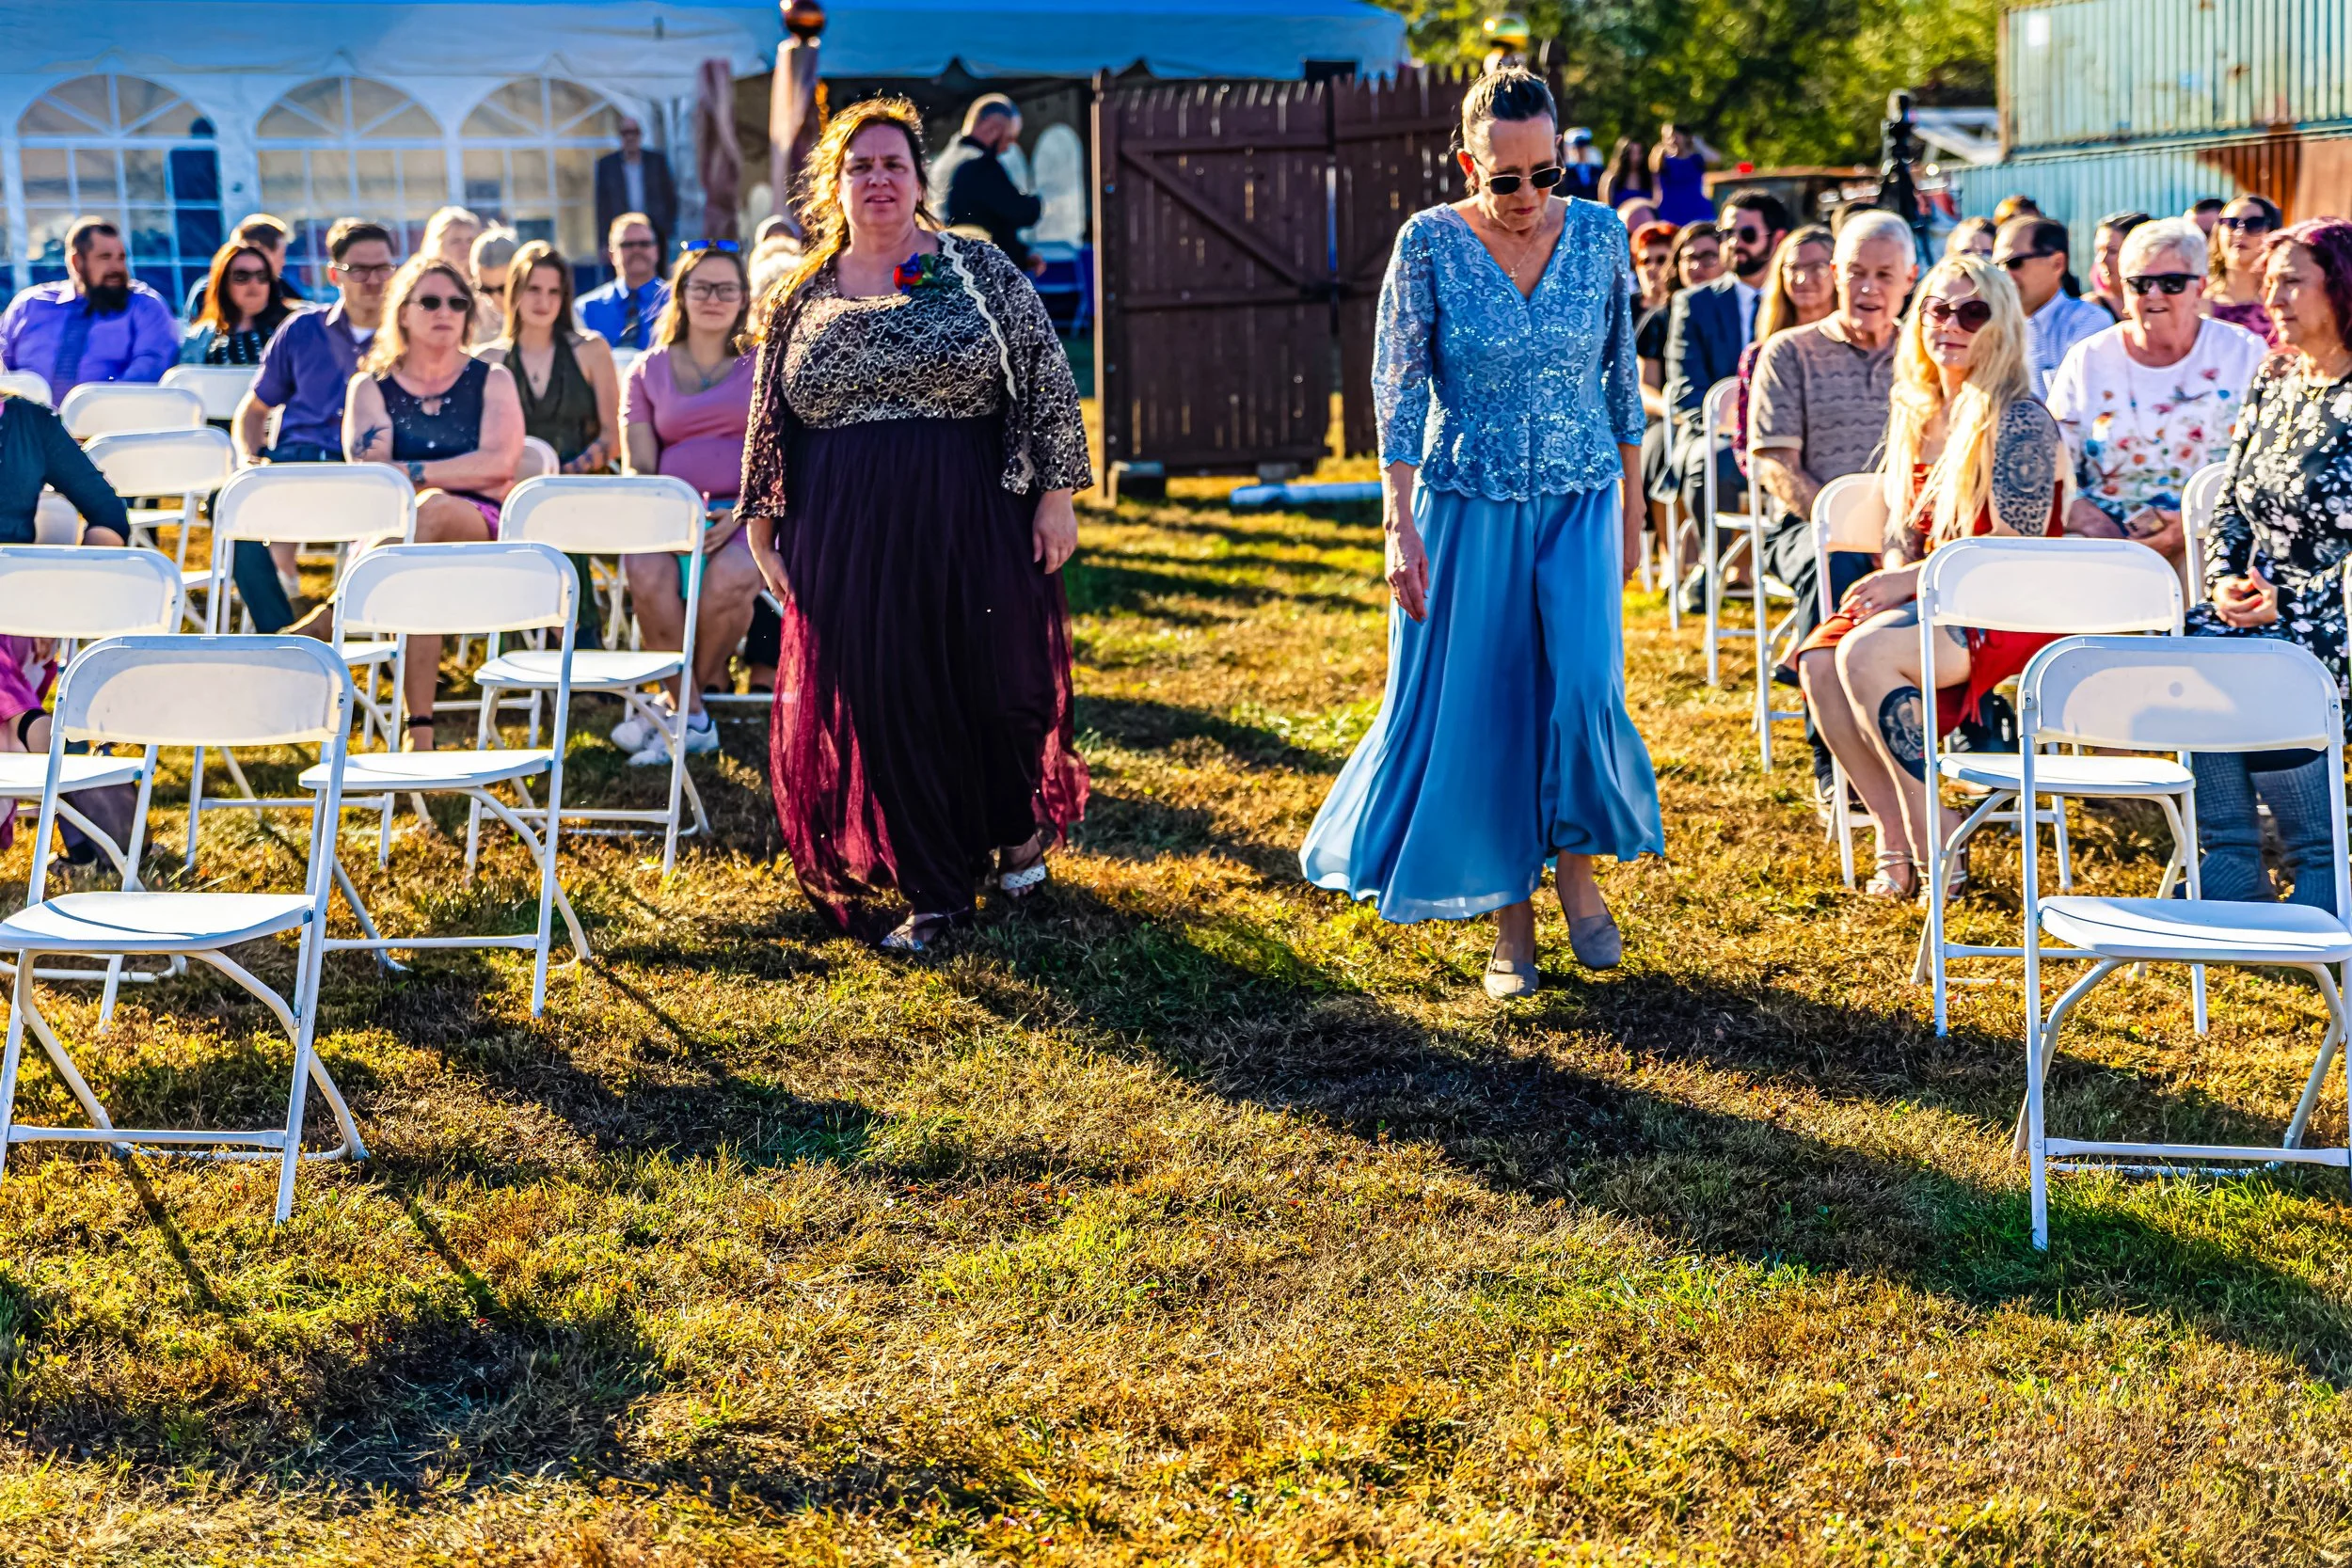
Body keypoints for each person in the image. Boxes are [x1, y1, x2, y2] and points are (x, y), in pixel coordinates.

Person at [1299, 67, 1661, 997]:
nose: (1528, 194)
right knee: (1489, 703)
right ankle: (1511, 916)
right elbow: (1395, 391)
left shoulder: (1600, 235)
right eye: (1506, 178)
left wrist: (1633, 512)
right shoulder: (1427, 243)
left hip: (1582, 495)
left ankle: (1575, 868)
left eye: (1546, 172)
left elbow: (1623, 381)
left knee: (1583, 686)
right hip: (1468, 501)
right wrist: (1397, 526)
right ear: (1468, 165)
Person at [739, 95, 1090, 954]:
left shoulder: (976, 268)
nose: (878, 179)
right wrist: (762, 517)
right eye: (860, 166)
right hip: (846, 523)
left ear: (920, 178)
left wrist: (1057, 494)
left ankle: (1012, 827)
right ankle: (937, 892)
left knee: (997, 690)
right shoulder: (802, 292)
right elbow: (769, 411)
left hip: (970, 510)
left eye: (893, 163)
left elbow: (1047, 373)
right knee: (891, 698)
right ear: (833, 185)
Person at [1792, 255, 2064, 899]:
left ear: (2001, 325)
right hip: (1934, 592)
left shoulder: (2018, 415)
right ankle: (1895, 831)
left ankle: (1931, 831)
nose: (1951, 324)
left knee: (1864, 652)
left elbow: (2017, 544)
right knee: (1819, 661)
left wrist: (1906, 583)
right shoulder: (1918, 408)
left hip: (2009, 602)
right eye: (1938, 309)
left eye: (1973, 312)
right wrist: (1896, 574)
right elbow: (1899, 528)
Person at [2183, 218, 2352, 910]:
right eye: (2270, 281)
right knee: (2200, 637)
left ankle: (2319, 860)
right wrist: (2224, 577)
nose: (2272, 297)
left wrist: (2298, 601)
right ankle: (2231, 856)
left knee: (2275, 660)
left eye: (2292, 282)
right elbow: (2231, 499)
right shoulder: (2276, 376)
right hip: (2263, 601)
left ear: (2341, 288)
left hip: (2340, 612)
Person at [1750, 211, 1920, 811]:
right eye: (1855, 273)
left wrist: (1901, 542)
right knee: (1841, 566)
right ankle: (1836, 758)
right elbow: (1775, 465)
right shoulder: (1789, 351)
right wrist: (1843, 527)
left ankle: (1966, 734)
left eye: (1884, 275)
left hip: (1911, 529)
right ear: (1834, 273)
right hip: (1807, 527)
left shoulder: (1926, 353)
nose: (1868, 288)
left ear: (1909, 279)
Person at [342, 254, 525, 748]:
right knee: (416, 573)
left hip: (479, 525)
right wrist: (454, 468)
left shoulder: (493, 379)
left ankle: (333, 611)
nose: (445, 311)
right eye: (430, 302)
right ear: (402, 312)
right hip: (397, 532)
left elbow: (498, 465)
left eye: (457, 303)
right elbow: (373, 473)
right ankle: (419, 731)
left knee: (434, 510)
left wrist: (413, 472)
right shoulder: (370, 386)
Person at [613, 243, 769, 766]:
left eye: (726, 288)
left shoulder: (764, 366)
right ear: (681, 294)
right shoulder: (646, 371)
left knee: (732, 577)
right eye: (701, 287)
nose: (713, 298)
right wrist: (675, 517)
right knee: (644, 569)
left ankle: (675, 711)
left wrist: (744, 510)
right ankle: (692, 716)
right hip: (667, 514)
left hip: (747, 512)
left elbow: (780, 455)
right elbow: (639, 466)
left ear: (743, 298)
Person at [2046, 217, 2265, 570]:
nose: (2154, 294)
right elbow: (2054, 467)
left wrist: (2193, 525)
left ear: (2200, 287)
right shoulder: (2088, 358)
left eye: (2172, 283)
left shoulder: (2244, 352)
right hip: (2110, 547)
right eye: (2139, 283)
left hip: (2217, 541)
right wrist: (2095, 524)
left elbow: (2267, 465)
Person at [232, 219, 397, 632]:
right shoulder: (302, 329)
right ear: (334, 275)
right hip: (294, 462)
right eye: (359, 269)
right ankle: (279, 632)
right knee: (233, 505)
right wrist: (249, 458)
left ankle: (342, 622)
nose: (373, 280)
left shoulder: (408, 337)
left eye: (382, 268)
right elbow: (254, 409)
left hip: (364, 472)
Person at [1664, 191, 1788, 604]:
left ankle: (1794, 563)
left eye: (1746, 234)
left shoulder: (1798, 300)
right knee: (1709, 461)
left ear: (1776, 238)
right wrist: (1736, 429)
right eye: (1727, 233)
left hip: (1788, 436)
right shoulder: (1693, 303)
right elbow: (1686, 387)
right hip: (1715, 435)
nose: (1734, 243)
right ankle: (1713, 564)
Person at [0, 217, 175, 403]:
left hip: (111, 415)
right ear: (76, 262)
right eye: (105, 257)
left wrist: (93, 407)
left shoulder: (145, 307)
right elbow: (2, 363)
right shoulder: (29, 305)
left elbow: (149, 370)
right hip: (25, 417)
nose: (117, 267)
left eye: (121, 258)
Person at [1732, 224, 1836, 477]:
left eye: (1817, 268)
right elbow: (1746, 445)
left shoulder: (1861, 350)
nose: (1802, 279)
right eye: (1794, 268)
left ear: (1837, 271)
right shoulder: (1759, 356)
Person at [1994, 214, 2107, 396]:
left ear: (2057, 263)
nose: (2004, 274)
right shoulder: (1991, 326)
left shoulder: (2088, 322)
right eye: (1996, 266)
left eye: (2014, 263)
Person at [939, 95, 1045, 277]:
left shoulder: (944, 161)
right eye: (1009, 138)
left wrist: (1022, 255)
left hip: (949, 270)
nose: (1008, 147)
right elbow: (1023, 212)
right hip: (980, 277)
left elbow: (985, 216)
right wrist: (1036, 202)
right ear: (992, 128)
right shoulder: (979, 166)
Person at [179, 239, 294, 367]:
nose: (254, 284)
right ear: (223, 283)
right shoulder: (200, 339)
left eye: (262, 276)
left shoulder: (295, 329)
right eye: (241, 276)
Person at [182, 214, 307, 318]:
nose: (283, 262)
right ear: (262, 253)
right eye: (281, 255)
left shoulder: (281, 289)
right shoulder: (207, 292)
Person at [577, 213, 671, 352]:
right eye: (627, 245)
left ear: (656, 251)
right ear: (611, 254)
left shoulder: (676, 301)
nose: (636, 250)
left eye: (644, 244)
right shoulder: (585, 309)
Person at [595, 116, 679, 265]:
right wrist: (603, 241)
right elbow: (602, 206)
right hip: (621, 232)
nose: (630, 137)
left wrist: (668, 227)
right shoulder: (608, 165)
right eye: (626, 133)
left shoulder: (656, 161)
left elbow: (670, 196)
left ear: (640, 135)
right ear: (620, 136)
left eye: (634, 132)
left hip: (655, 230)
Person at [2206, 194, 2283, 343]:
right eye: (2231, 223)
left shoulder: (2283, 300)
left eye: (2254, 224)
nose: (2239, 233)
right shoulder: (2196, 300)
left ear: (2272, 234)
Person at [2085, 210, 2150, 320]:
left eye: (2112, 251)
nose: (2101, 259)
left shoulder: (2159, 304)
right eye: (2098, 251)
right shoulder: (2089, 311)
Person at [1651, 123, 1719, 226]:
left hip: (1697, 209)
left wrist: (1699, 144)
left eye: (1676, 136)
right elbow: (1656, 186)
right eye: (1668, 137)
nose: (1672, 141)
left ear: (1686, 137)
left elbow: (1715, 159)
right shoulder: (1662, 161)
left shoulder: (1695, 159)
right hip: (1670, 211)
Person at [468, 226, 519, 346]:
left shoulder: (539, 309)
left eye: (503, 289)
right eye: (486, 289)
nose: (495, 299)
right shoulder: (467, 315)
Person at [421, 207, 483, 273]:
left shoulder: (486, 277)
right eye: (456, 241)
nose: (465, 247)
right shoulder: (425, 277)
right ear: (437, 245)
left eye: (470, 241)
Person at [1600, 136, 1652, 211]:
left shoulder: (1649, 177)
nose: (1636, 158)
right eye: (1632, 153)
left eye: (1639, 153)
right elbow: (1606, 209)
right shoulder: (1611, 178)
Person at [1560, 127, 1603, 202]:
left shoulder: (1599, 171)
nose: (1581, 152)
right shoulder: (1565, 171)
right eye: (1578, 148)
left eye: (1584, 148)